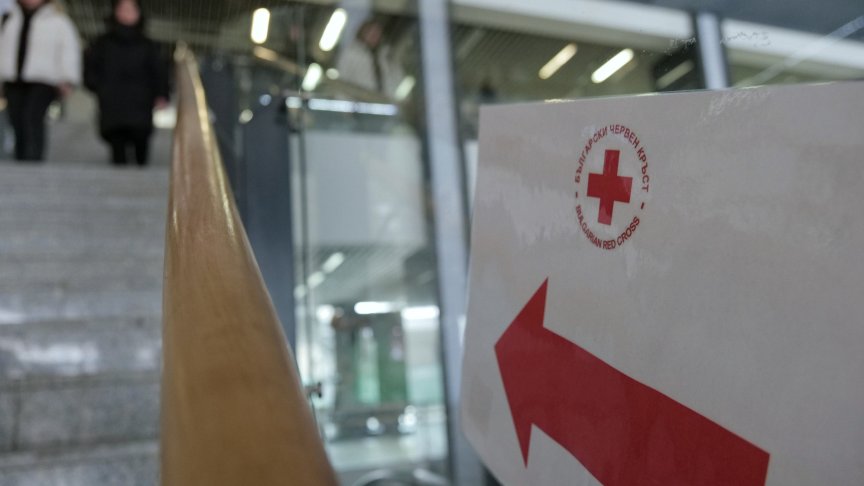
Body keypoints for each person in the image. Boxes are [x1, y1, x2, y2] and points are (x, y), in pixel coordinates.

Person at [84, 0, 168, 167]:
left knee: (141, 144)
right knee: (118, 147)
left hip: (141, 102)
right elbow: (91, 69)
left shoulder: (148, 45)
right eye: (123, 9)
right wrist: (100, 87)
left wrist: (162, 94)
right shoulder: (102, 43)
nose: (127, 13)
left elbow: (159, 72)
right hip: (113, 103)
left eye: (131, 9)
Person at [0, 0, 80, 162]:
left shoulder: (58, 20)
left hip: (44, 80)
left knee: (32, 117)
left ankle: (33, 160)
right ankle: (21, 159)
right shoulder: (9, 18)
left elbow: (69, 51)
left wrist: (67, 78)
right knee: (16, 119)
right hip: (13, 80)